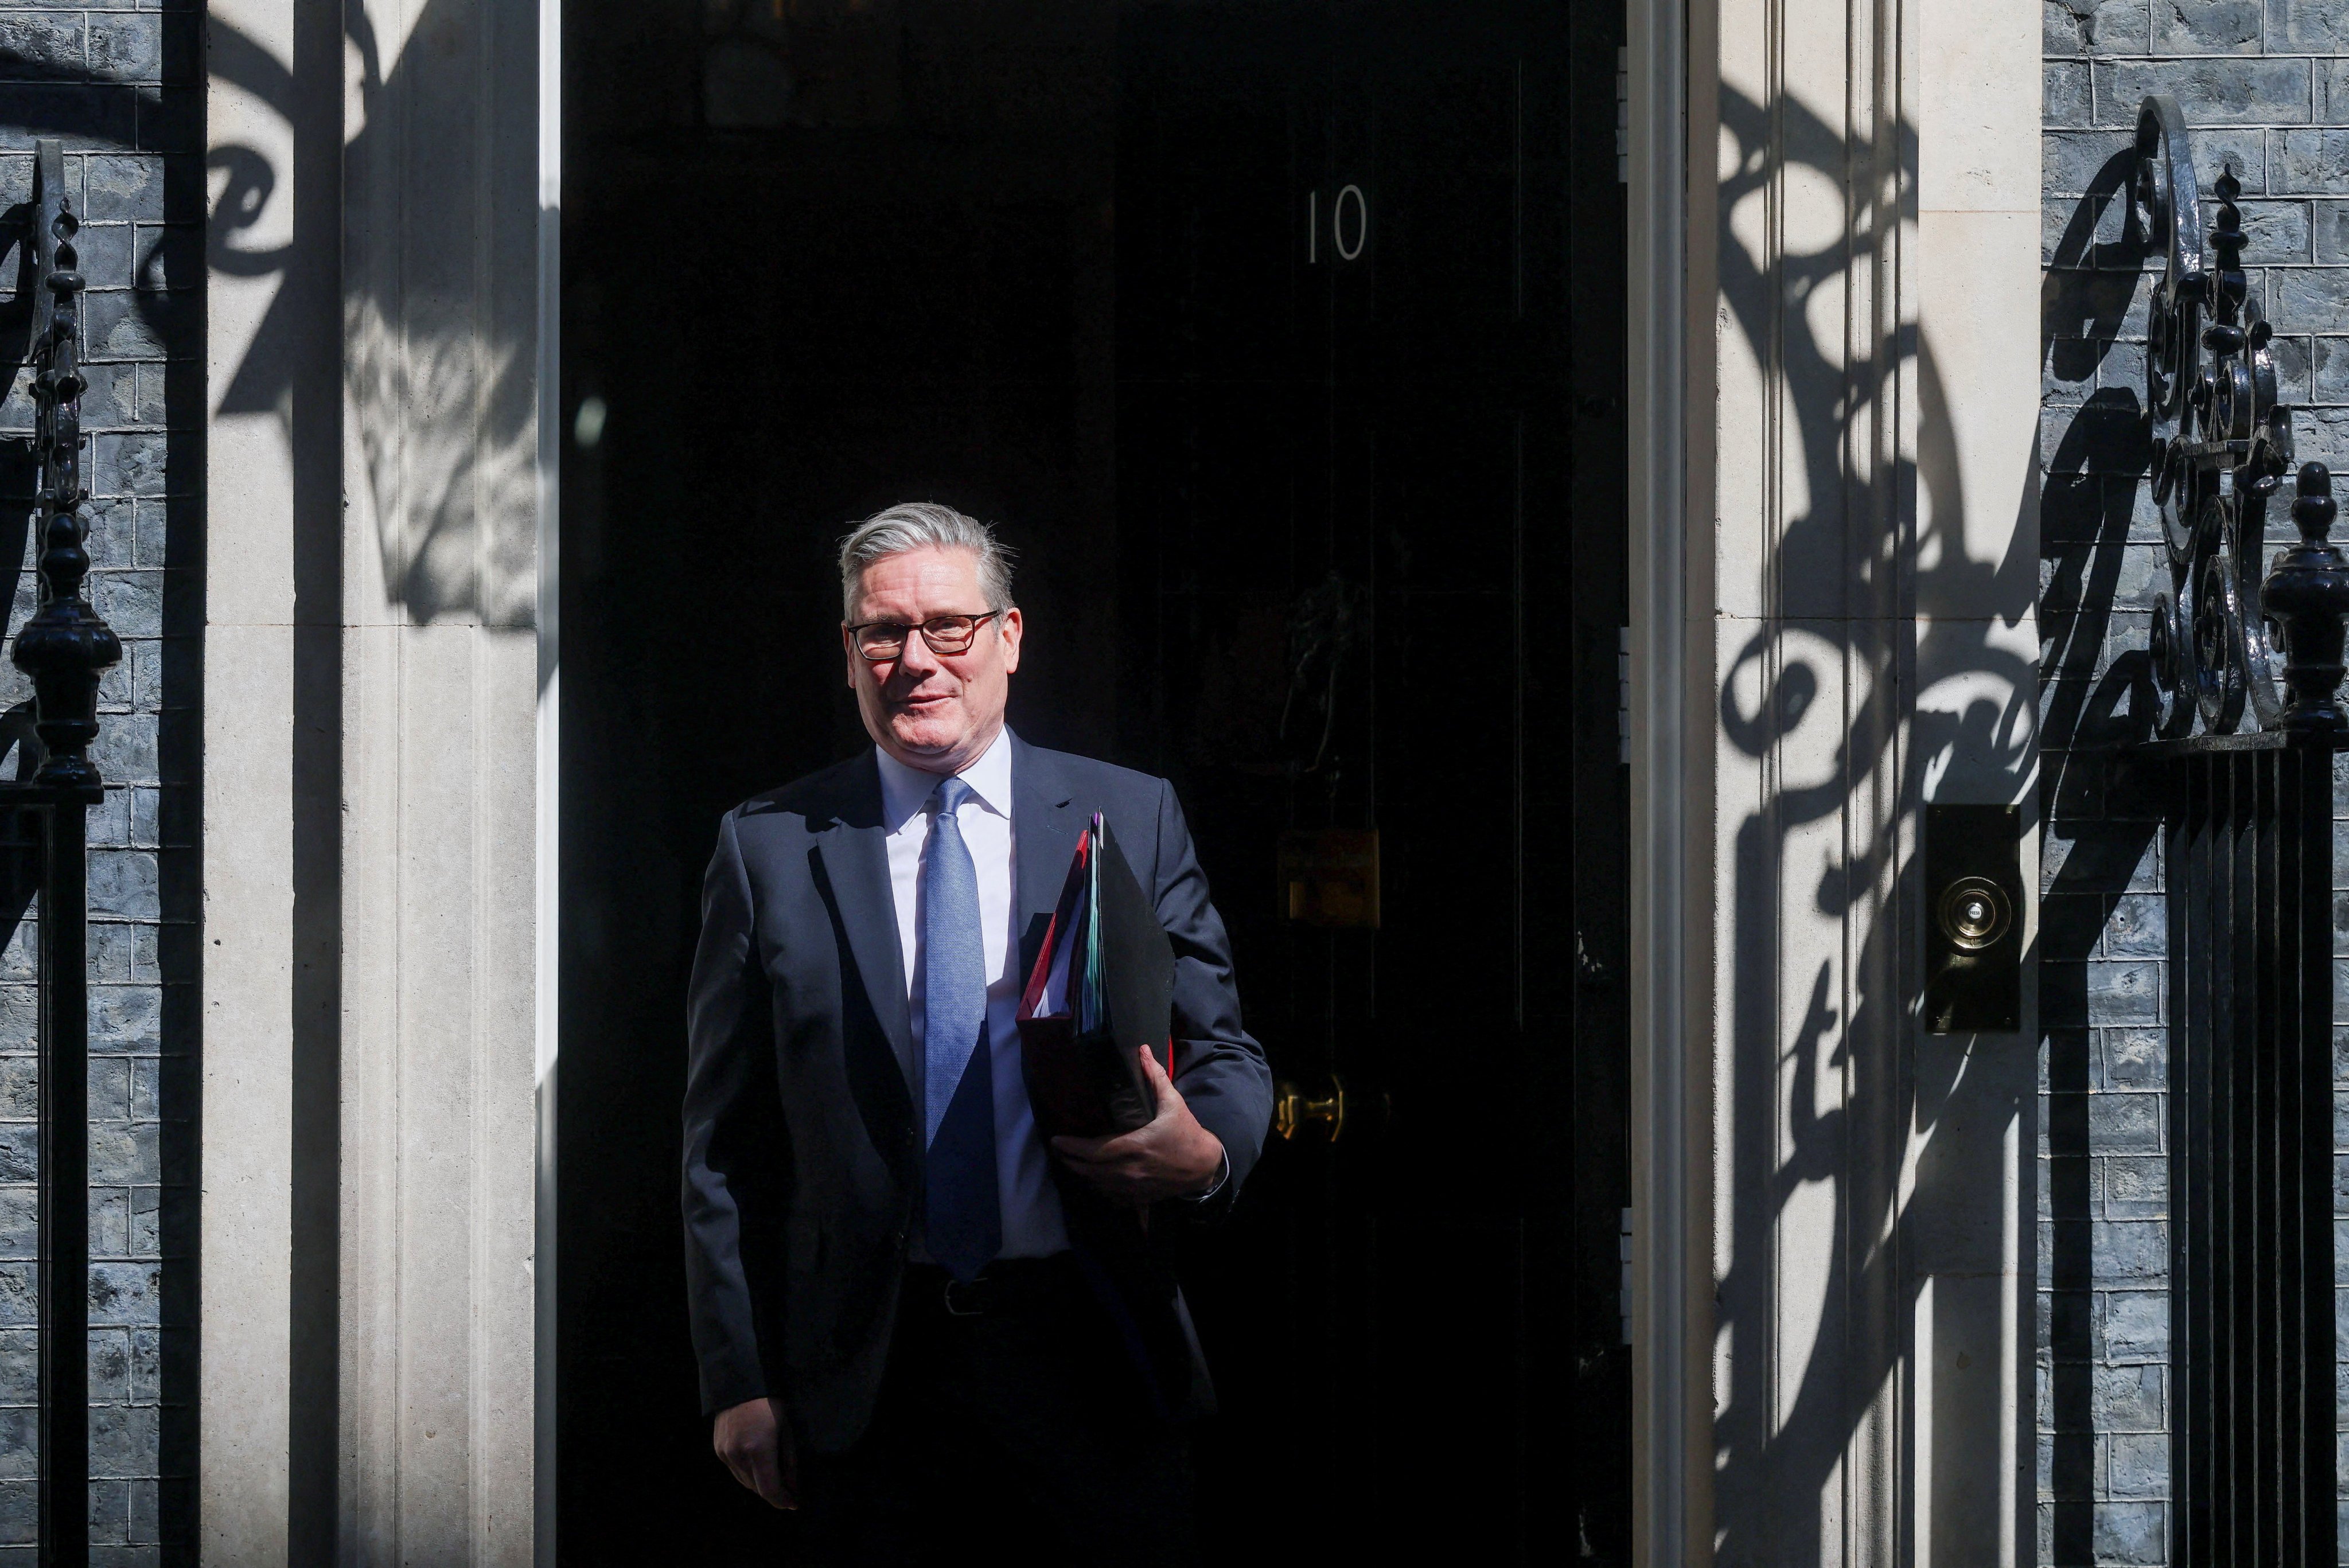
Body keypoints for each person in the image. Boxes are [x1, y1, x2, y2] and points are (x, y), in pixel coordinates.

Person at [682, 502, 1273, 1564]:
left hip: (1087, 1350)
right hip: (866, 1373)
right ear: (850, 656)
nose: (917, 659)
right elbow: (722, 1143)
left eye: (949, 627)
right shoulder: (768, 845)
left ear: (1009, 637)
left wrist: (1206, 1152)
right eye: (882, 633)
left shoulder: (1128, 815)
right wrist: (739, 1377)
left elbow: (1224, 1050)